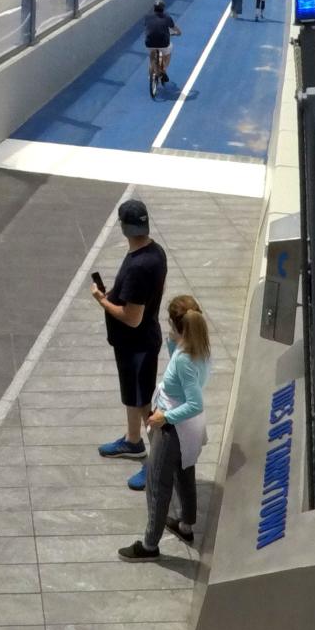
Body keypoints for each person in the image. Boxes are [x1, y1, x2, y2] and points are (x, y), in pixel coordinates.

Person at [117, 300, 212, 561]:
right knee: (185, 474)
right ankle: (186, 524)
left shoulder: (184, 360)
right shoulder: (199, 348)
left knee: (157, 484)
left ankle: (149, 545)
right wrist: (173, 340)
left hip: (174, 429)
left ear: (177, 325)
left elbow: (195, 403)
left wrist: (164, 417)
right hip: (190, 429)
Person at [93, 199, 167, 492]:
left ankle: (157, 462)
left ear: (124, 227)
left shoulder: (139, 266)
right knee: (133, 396)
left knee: (144, 402)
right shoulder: (153, 251)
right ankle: (133, 442)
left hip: (137, 344)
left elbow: (132, 318)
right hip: (135, 344)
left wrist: (101, 300)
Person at [143, 0, 181, 85]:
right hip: (163, 43)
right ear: (163, 9)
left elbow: (147, 26)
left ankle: (151, 73)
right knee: (168, 52)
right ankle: (163, 70)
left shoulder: (147, 17)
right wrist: (178, 33)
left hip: (149, 42)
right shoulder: (167, 17)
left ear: (154, 8)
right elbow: (175, 29)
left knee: (152, 56)